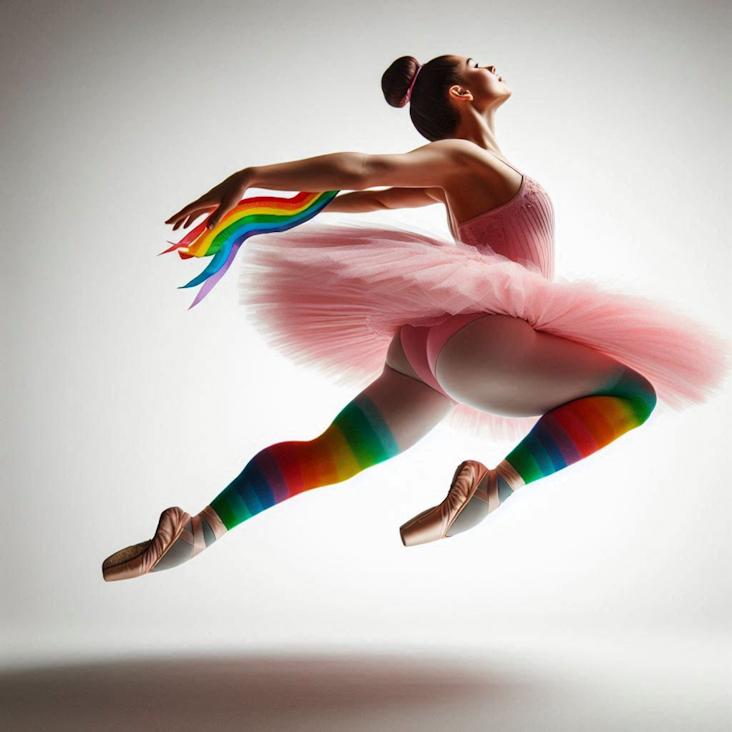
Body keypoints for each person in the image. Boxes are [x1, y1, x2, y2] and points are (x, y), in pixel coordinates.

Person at [102, 54, 730, 581]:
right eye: (473, 64)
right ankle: (494, 488)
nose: (489, 63)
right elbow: (364, 170)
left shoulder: (462, 171)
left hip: (426, 348)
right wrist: (252, 177)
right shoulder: (465, 159)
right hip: (483, 338)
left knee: (336, 452)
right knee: (633, 393)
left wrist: (270, 206)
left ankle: (198, 530)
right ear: (461, 94)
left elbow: (366, 194)